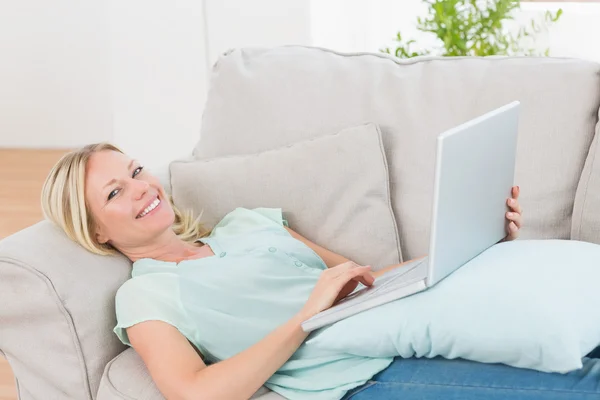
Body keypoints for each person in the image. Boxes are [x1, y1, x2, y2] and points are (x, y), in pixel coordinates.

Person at [40, 142, 600, 400]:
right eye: (117, 191)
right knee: (578, 388)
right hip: (360, 377)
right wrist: (304, 319)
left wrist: (478, 240)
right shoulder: (147, 298)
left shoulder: (245, 224)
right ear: (96, 232)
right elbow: (194, 394)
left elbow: (368, 280)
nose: (142, 187)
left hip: (407, 327)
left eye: (136, 170)